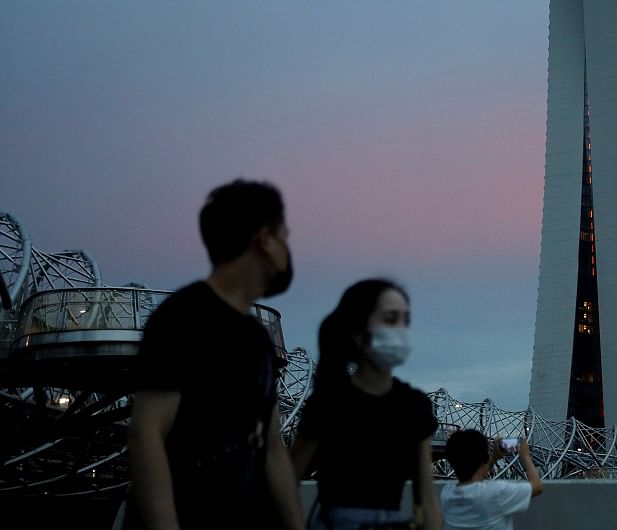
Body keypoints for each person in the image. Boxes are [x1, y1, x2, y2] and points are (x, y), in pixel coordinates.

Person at [126, 179, 304, 530]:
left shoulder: (257, 338)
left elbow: (270, 446)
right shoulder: (182, 317)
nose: (288, 249)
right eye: (286, 236)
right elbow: (147, 433)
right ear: (265, 240)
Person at [289, 279, 443, 530]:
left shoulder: (415, 406)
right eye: (390, 320)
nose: (401, 331)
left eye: (405, 321)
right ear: (358, 332)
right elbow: (286, 480)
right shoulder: (329, 401)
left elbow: (427, 497)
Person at [441, 431, 543, 530]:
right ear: (484, 459)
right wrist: (525, 456)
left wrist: (494, 457)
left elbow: (476, 475)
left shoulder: (446, 494)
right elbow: (537, 486)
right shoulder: (495, 492)